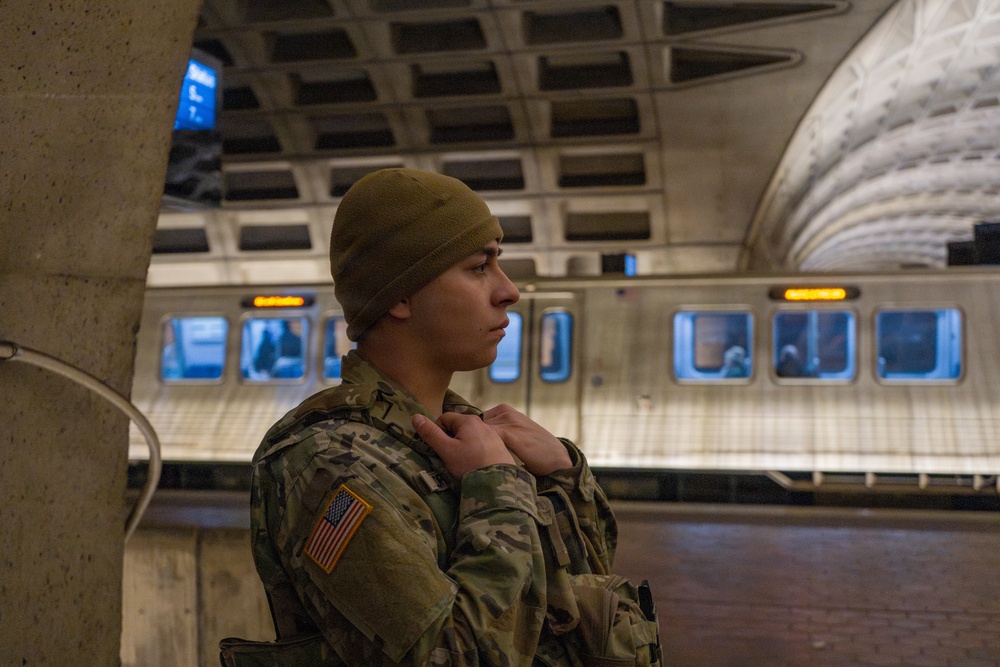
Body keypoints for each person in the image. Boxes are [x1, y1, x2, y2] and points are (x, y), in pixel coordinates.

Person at [227, 168, 661, 666]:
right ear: (400, 297)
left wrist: (565, 475)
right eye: (480, 267)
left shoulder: (471, 431)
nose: (508, 291)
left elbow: (573, 597)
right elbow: (451, 657)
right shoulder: (328, 466)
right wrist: (498, 489)